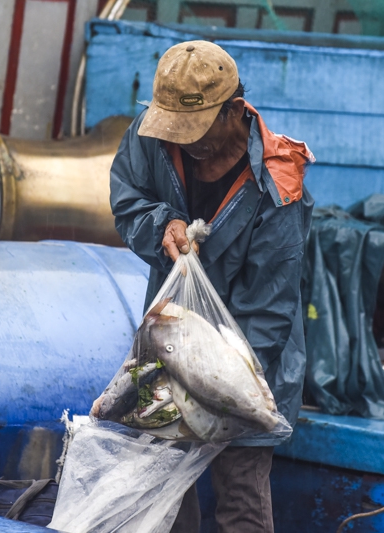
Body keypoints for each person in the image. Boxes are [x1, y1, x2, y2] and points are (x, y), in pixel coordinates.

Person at [107, 40, 314, 533]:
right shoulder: (152, 134)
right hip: (169, 344)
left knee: (240, 496)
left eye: (195, 129)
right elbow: (127, 196)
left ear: (235, 112)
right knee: (162, 491)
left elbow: (268, 313)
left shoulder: (278, 187)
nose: (185, 141)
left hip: (247, 368)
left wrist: (215, 390)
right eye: (175, 127)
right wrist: (162, 225)